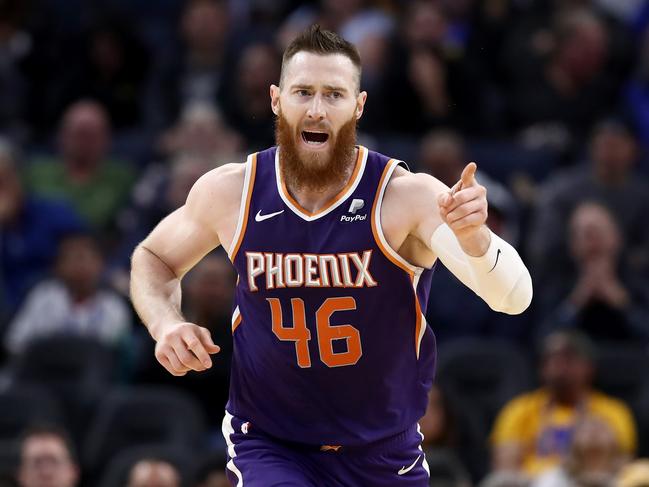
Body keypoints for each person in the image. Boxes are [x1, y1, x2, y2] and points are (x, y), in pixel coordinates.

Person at [130, 25, 532, 486]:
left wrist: (476, 239)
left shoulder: (404, 196)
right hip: (270, 442)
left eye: (334, 95)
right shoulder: (232, 191)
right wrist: (166, 323)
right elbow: (153, 257)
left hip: (383, 448)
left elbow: (513, 298)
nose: (317, 110)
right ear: (277, 99)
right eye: (303, 92)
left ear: (358, 106)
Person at [490, 331, 636, 479]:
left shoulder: (613, 411)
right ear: (542, 367)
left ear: (589, 367)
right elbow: (505, 468)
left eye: (568, 359)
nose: (559, 367)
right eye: (552, 359)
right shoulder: (518, 409)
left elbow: (622, 467)